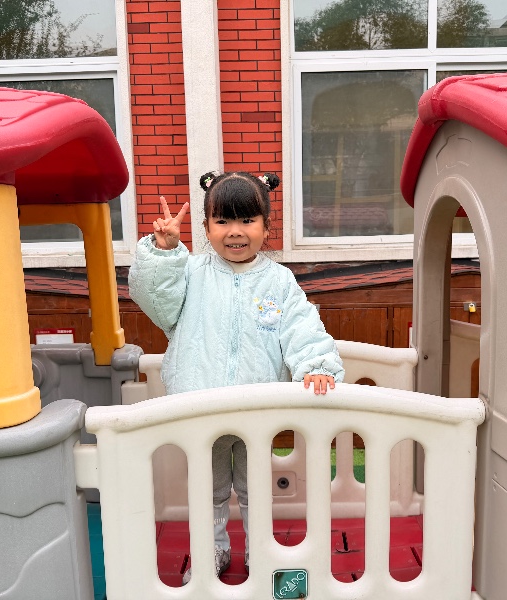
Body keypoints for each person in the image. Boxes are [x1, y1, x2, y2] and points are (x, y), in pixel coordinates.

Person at [128, 170, 345, 584]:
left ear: (266, 226)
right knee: (206, 490)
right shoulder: (190, 272)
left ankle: (259, 553)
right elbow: (156, 299)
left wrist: (316, 366)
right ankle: (212, 549)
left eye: (247, 220)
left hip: (256, 411)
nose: (235, 231)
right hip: (201, 407)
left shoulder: (278, 281)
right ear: (206, 227)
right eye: (223, 220)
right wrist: (164, 253)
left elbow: (302, 328)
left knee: (254, 489)